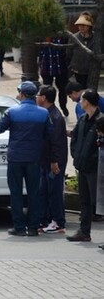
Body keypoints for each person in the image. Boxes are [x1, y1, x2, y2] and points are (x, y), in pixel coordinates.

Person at [0, 81, 51, 236]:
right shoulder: (44, 113)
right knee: (34, 193)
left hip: (15, 158)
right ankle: (33, 227)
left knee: (16, 193)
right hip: (34, 158)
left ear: (21, 94)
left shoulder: (12, 111)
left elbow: (0, 128)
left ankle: (19, 227)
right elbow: (49, 133)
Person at [67, 91, 101, 243]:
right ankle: (84, 231)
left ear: (87, 101)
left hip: (96, 169)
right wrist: (76, 155)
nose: (80, 102)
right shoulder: (82, 119)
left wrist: (92, 159)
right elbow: (75, 139)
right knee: (84, 201)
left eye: (82, 100)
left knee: (99, 202)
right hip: (82, 166)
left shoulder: (101, 120)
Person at [36, 85, 67, 234]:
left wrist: (54, 161)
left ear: (44, 98)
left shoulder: (54, 116)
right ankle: (45, 220)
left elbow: (55, 142)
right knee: (44, 191)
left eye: (38, 95)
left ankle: (58, 222)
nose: (36, 98)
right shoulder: (46, 114)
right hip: (45, 160)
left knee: (54, 191)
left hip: (53, 161)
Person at [38, 33, 70, 117]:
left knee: (63, 89)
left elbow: (67, 49)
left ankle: (63, 106)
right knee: (47, 91)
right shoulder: (41, 35)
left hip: (61, 67)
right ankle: (49, 109)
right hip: (46, 67)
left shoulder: (62, 35)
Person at [69, 13, 101, 92]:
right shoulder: (74, 37)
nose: (81, 27)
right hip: (78, 69)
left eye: (84, 25)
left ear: (89, 26)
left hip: (92, 70)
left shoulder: (96, 38)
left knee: (91, 91)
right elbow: (69, 52)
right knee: (80, 90)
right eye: (80, 25)